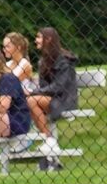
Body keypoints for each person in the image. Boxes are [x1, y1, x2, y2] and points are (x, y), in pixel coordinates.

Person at [27, 27, 78, 158]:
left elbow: (59, 87)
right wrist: (36, 92)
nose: (36, 40)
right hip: (51, 99)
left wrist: (34, 92)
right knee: (30, 100)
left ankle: (49, 139)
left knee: (31, 100)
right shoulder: (43, 61)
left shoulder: (64, 60)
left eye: (39, 37)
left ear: (48, 39)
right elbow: (46, 87)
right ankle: (49, 140)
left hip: (65, 100)